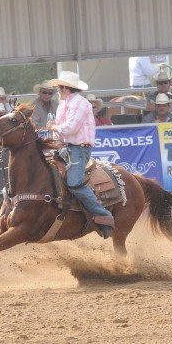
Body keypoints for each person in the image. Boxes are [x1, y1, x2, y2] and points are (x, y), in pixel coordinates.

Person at [45, 71, 114, 239]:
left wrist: (53, 127)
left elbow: (69, 128)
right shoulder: (64, 103)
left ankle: (103, 214)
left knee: (74, 182)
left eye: (59, 87)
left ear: (66, 88)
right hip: (66, 147)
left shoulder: (81, 103)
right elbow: (63, 129)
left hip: (78, 149)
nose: (57, 90)